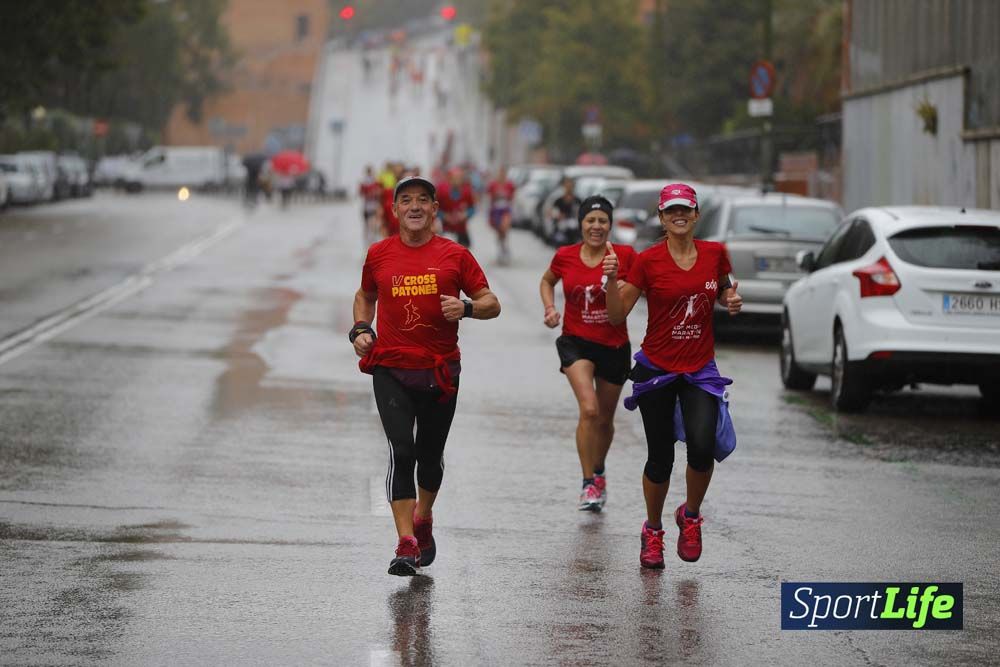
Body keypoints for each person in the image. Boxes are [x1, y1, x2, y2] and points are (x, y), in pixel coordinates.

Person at [351, 176, 501, 576]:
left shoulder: (455, 255)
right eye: (406, 200)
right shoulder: (379, 254)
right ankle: (405, 542)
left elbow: (492, 303)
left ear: (435, 209)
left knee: (429, 458)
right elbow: (366, 295)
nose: (414, 207)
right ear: (395, 209)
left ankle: (424, 516)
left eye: (422, 200)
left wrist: (467, 308)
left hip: (440, 373)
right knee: (402, 451)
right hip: (391, 368)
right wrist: (361, 329)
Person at [604, 183, 742, 570]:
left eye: (685, 209)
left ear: (696, 215)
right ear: (663, 219)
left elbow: (724, 289)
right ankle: (652, 530)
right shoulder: (647, 261)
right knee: (660, 457)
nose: (678, 215)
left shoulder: (716, 254)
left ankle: (691, 516)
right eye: (671, 211)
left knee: (702, 447)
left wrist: (730, 299)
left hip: (699, 369)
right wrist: (611, 282)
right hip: (657, 370)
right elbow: (617, 315)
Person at [540, 195, 637, 511]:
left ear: (610, 225)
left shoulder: (624, 256)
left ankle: (598, 469)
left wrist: (614, 277)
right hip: (576, 342)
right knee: (590, 409)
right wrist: (550, 307)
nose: (596, 226)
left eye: (603, 221)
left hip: (613, 344)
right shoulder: (565, 256)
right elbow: (547, 280)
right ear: (581, 223)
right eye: (590, 220)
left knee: (606, 420)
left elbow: (623, 307)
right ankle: (588, 483)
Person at [436, 167, 476, 248]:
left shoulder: (467, 192)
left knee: (464, 251)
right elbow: (434, 208)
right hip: (446, 229)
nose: (457, 181)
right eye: (454, 178)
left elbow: (472, 209)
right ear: (449, 179)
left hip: (461, 229)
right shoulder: (441, 191)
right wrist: (444, 216)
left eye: (459, 178)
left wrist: (466, 215)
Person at [486, 167, 516, 264]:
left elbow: (513, 196)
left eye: (503, 173)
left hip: (505, 210)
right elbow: (488, 197)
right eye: (500, 173)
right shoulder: (493, 185)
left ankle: (505, 247)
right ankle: (501, 247)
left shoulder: (510, 185)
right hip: (496, 210)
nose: (502, 175)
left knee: (504, 227)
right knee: (499, 231)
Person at [549, 177, 581, 246]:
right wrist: (559, 215)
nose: (569, 188)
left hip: (574, 227)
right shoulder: (558, 201)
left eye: (570, 186)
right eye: (567, 186)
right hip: (561, 226)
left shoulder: (577, 201)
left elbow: (581, 213)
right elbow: (553, 213)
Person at [359, 165, 383, 246]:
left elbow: (379, 192)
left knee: (371, 224)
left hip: (371, 206)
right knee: (368, 224)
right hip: (368, 206)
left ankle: (370, 240)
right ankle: (369, 240)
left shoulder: (374, 182)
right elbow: (361, 193)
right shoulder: (366, 182)